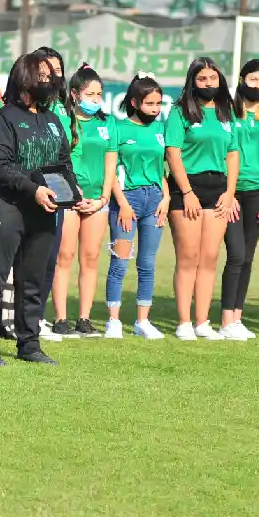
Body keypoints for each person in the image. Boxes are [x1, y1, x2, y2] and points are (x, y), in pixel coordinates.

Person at [0, 52, 76, 366]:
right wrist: (35, 189)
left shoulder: (54, 120)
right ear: (25, 79)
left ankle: (29, 344)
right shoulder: (3, 119)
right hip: (3, 208)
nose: (50, 81)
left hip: (43, 212)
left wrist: (71, 190)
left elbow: (63, 164)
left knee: (32, 281)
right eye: (42, 76)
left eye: (51, 76)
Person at [166, 57, 239, 341]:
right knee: (188, 257)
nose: (208, 84)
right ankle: (184, 322)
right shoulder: (180, 111)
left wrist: (230, 192)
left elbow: (232, 154)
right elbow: (173, 154)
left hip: (218, 189)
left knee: (209, 259)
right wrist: (186, 193)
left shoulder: (225, 111)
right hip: (188, 189)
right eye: (202, 79)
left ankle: (202, 322)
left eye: (212, 78)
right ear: (192, 82)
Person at [104, 74, 170, 340]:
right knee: (120, 261)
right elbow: (111, 171)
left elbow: (161, 170)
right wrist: (122, 204)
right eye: (150, 104)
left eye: (158, 104)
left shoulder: (160, 129)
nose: (155, 109)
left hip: (155, 199)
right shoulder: (118, 129)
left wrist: (166, 197)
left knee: (147, 263)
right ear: (134, 102)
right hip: (126, 200)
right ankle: (114, 321)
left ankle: (142, 321)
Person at [51, 64, 115, 337]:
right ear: (75, 94)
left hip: (96, 201)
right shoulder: (63, 119)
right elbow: (57, 160)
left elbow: (111, 158)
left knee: (90, 258)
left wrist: (103, 197)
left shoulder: (107, 122)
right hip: (68, 199)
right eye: (90, 94)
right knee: (64, 256)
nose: (95, 99)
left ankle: (85, 319)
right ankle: (61, 318)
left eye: (99, 94)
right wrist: (72, 192)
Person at [219, 59, 259, 340]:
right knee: (236, 254)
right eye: (253, 80)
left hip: (258, 193)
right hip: (231, 192)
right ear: (242, 79)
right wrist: (228, 194)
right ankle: (225, 320)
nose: (257, 86)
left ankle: (237, 318)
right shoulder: (227, 112)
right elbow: (222, 153)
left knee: (248, 257)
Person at [34, 45, 74, 340]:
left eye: (58, 71)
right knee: (27, 258)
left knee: (50, 257)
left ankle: (35, 317)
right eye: (47, 71)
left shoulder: (63, 108)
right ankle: (18, 318)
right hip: (30, 189)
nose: (53, 76)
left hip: (57, 191)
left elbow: (66, 155)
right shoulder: (28, 106)